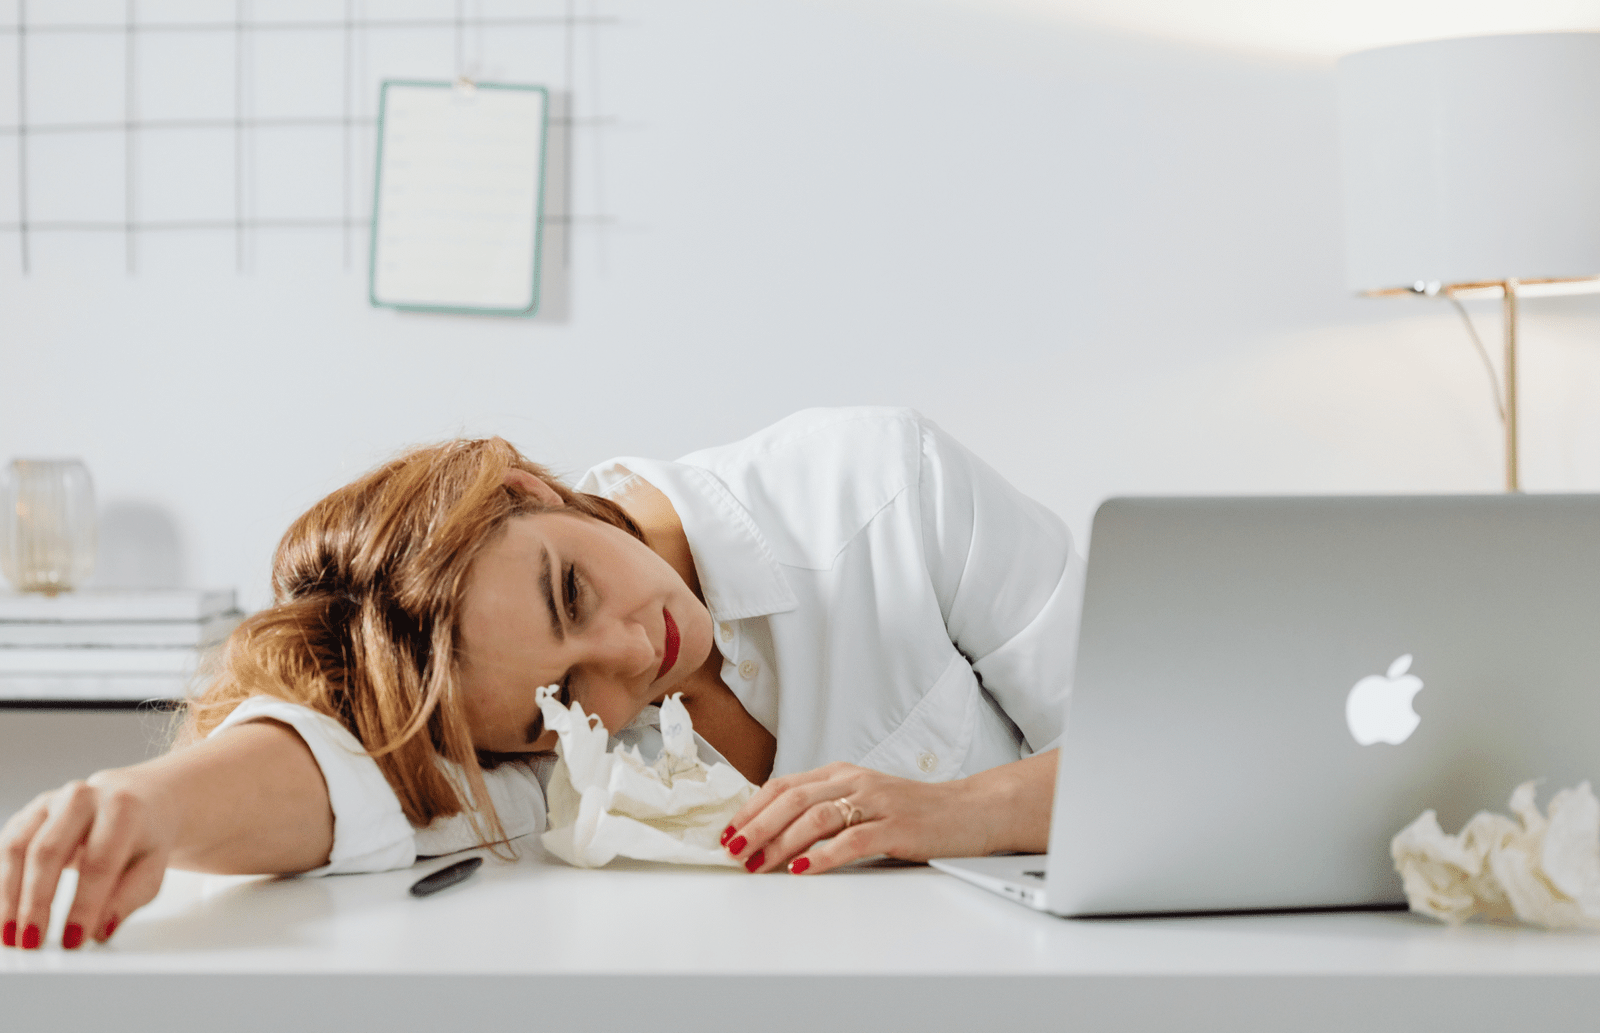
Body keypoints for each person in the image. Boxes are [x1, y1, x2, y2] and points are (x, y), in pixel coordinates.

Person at [0, 407, 1082, 951]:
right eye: (563, 697)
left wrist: (952, 811)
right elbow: (345, 781)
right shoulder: (544, 743)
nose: (627, 654)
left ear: (524, 486)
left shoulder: (876, 488)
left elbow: (1204, 748)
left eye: (569, 592)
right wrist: (140, 804)